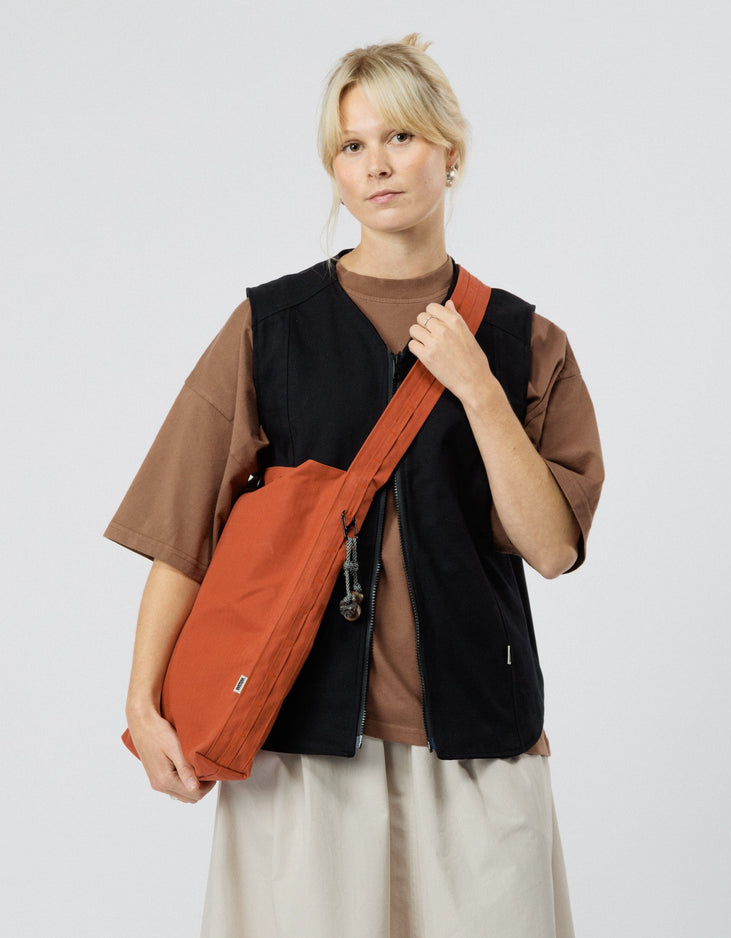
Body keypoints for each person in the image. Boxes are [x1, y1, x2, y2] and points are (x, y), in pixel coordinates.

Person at [106, 34, 603, 938]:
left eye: (400, 137)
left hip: (479, 738)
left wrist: (479, 389)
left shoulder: (526, 343)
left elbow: (552, 546)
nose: (376, 165)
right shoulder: (271, 327)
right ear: (333, 170)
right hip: (302, 744)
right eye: (351, 145)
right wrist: (142, 702)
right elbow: (183, 532)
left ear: (451, 151)